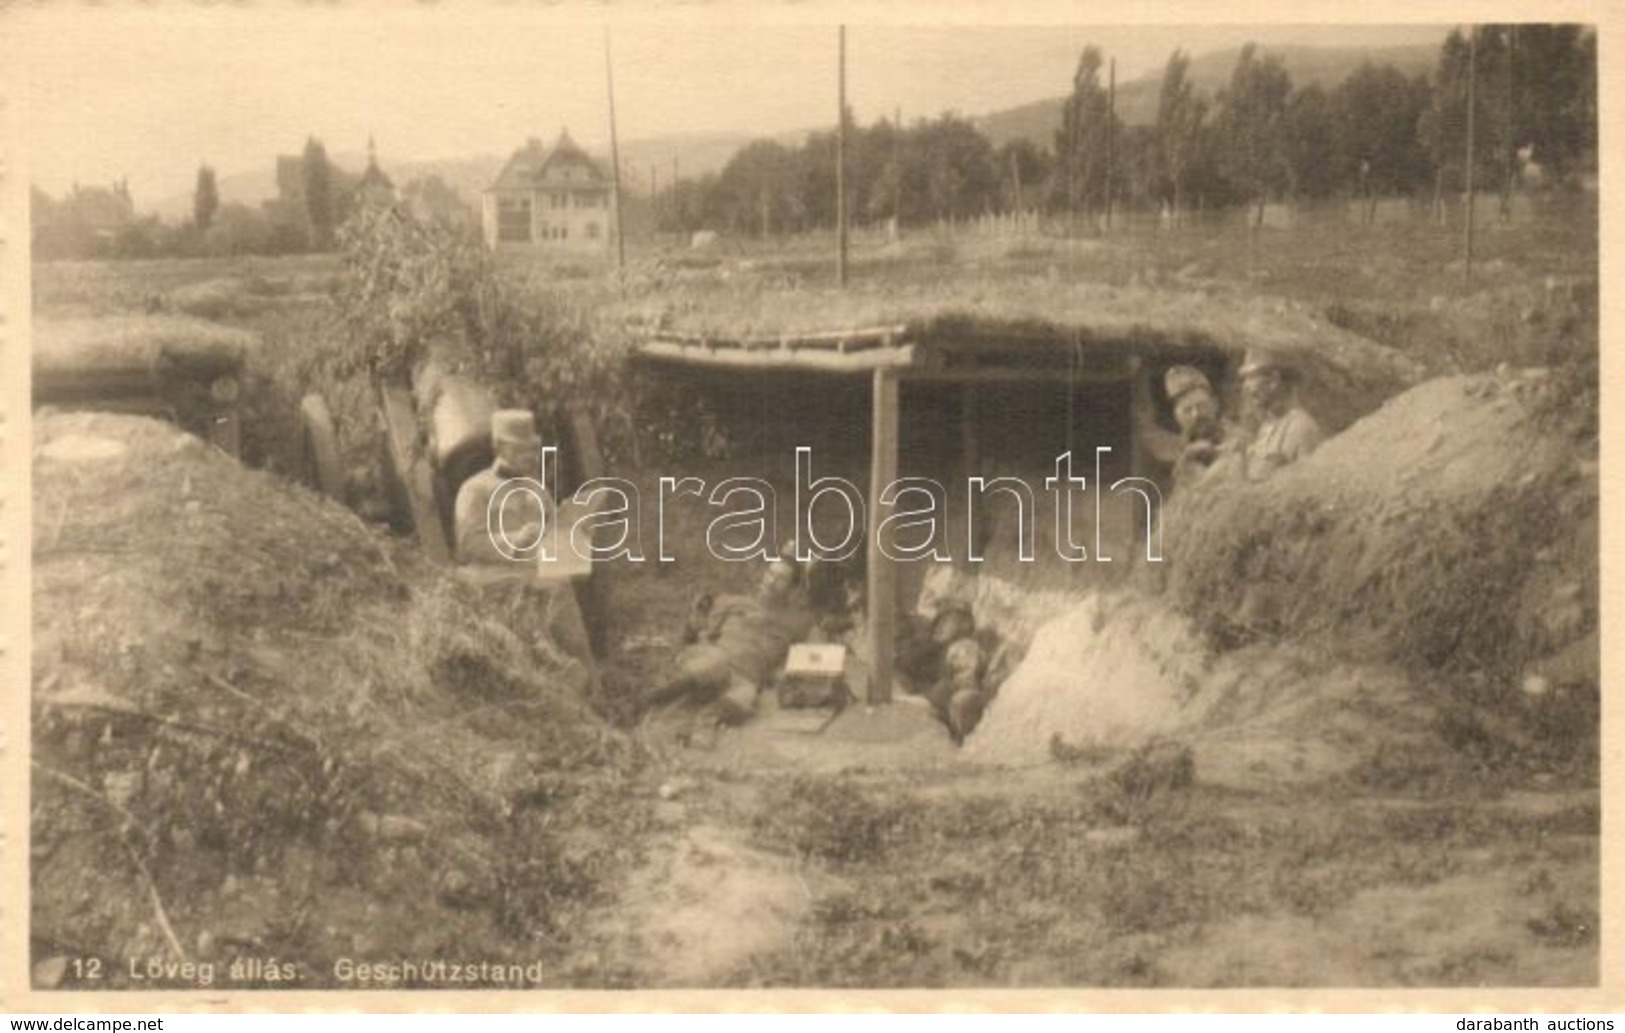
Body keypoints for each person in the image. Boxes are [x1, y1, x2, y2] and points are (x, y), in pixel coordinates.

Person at [646, 556, 815, 733]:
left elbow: (797, 658)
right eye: (770, 573)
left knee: (745, 698)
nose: (772, 581)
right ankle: (645, 701)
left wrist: (772, 675)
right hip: (716, 658)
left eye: (781, 578)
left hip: (746, 677)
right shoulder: (734, 602)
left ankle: (700, 726)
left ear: (793, 588)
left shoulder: (798, 623)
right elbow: (700, 634)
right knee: (716, 663)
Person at [454, 409, 554, 565]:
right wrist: (516, 541)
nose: (528, 455)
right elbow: (469, 544)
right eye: (519, 448)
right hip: (495, 583)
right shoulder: (475, 489)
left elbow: (557, 533)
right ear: (498, 446)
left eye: (531, 448)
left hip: (542, 578)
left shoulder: (539, 490)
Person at [1235, 347, 1325, 481]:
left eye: (1251, 377)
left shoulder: (1301, 428)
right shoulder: (1266, 427)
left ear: (1273, 380)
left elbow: (1308, 487)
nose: (1246, 386)